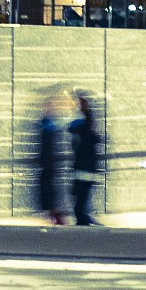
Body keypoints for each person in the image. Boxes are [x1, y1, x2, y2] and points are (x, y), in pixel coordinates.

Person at [33, 90, 73, 225]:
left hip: (49, 160)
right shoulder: (46, 122)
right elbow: (60, 125)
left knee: (51, 185)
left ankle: (53, 212)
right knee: (49, 185)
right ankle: (52, 212)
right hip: (47, 160)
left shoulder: (47, 122)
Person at [68, 91, 104, 226]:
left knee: (81, 192)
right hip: (85, 166)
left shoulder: (80, 130)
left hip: (82, 166)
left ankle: (81, 216)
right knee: (83, 192)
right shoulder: (85, 131)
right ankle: (81, 216)